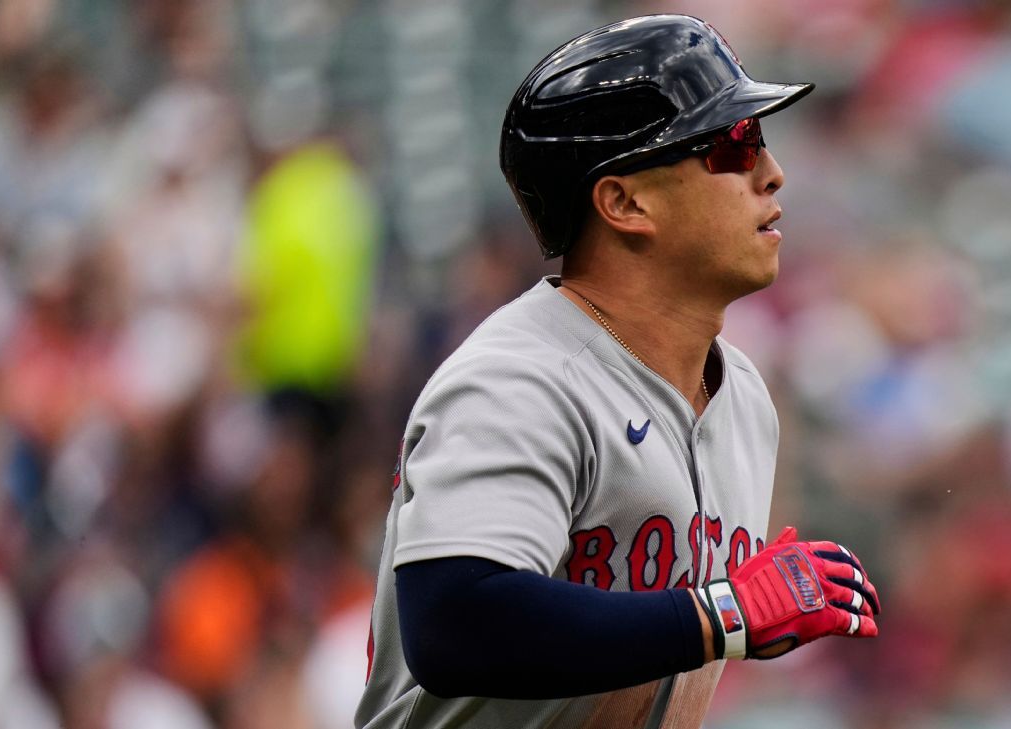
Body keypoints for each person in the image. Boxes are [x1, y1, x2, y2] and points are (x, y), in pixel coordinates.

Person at [355, 15, 881, 729]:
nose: (771, 172)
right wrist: (723, 612)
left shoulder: (746, 398)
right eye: (733, 143)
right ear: (625, 202)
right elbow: (454, 622)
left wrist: (722, 618)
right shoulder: (519, 380)